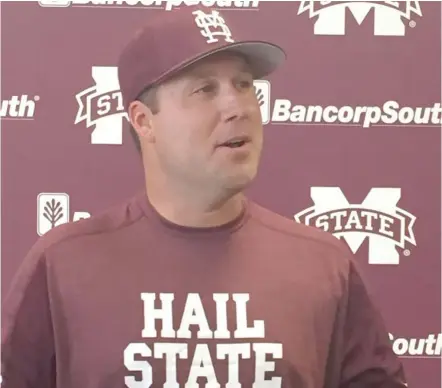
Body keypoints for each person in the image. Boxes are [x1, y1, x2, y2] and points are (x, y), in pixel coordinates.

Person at [1, 4, 408, 388]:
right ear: (144, 121)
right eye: (205, 90)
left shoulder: (324, 267)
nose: (238, 106)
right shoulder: (62, 266)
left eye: (244, 85)